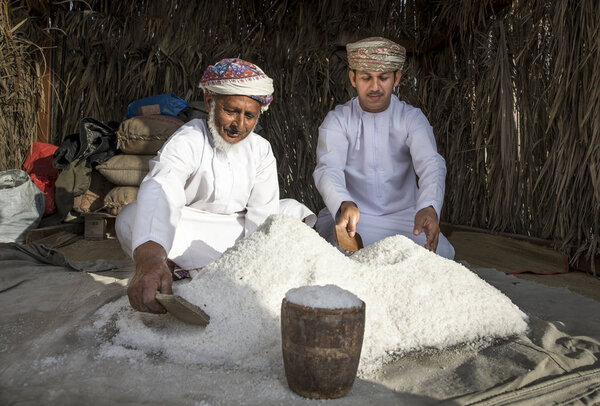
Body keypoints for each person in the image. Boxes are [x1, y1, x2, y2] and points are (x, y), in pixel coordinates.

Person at [116, 58, 315, 313]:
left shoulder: (261, 150)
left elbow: (262, 218)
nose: (239, 125)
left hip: (239, 233)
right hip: (191, 230)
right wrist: (150, 258)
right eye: (231, 110)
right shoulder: (189, 139)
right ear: (210, 102)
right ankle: (170, 265)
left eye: (249, 116)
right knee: (130, 218)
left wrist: (249, 267)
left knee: (290, 211)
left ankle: (196, 271)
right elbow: (161, 188)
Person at [313, 37, 455, 259]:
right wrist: (343, 202)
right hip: (356, 216)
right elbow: (327, 168)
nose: (375, 87)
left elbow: (431, 164)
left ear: (396, 78)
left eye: (383, 78)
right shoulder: (338, 120)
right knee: (337, 256)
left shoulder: (412, 119)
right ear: (353, 78)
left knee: (442, 254)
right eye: (366, 78)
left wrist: (428, 206)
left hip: (404, 217)